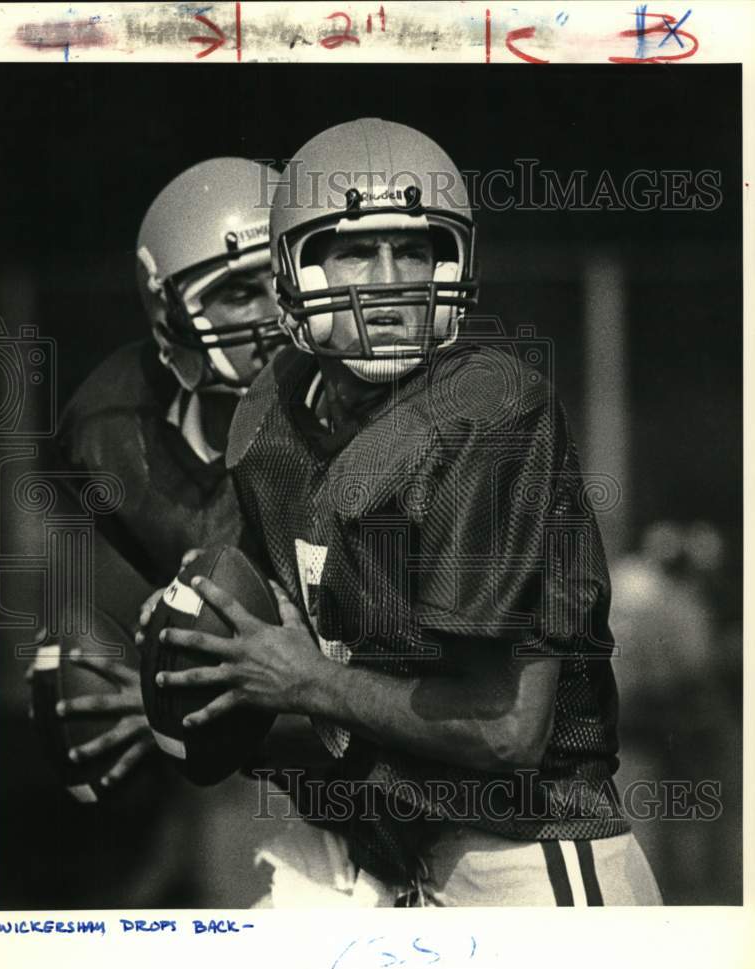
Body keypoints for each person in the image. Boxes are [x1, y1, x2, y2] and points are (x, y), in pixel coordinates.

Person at [154, 119, 662, 906]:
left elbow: (504, 731)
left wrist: (308, 682)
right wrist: (195, 646)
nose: (390, 282)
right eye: (356, 249)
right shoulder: (270, 415)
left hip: (523, 849)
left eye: (415, 250)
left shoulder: (486, 415)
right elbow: (281, 630)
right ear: (295, 270)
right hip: (379, 843)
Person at [38, 157, 286, 789]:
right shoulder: (109, 429)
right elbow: (113, 619)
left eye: (285, 282)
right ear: (168, 318)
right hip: (289, 790)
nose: (278, 316)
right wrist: (145, 672)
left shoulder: (365, 423)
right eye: (237, 292)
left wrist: (172, 711)